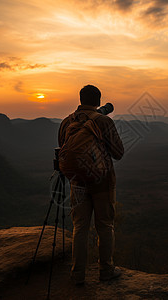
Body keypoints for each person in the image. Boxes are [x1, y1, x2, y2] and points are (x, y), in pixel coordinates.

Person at [58, 84, 124, 285]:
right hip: (102, 181)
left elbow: (64, 149)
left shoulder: (66, 122)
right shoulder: (103, 121)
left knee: (80, 227)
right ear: (98, 101)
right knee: (104, 225)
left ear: (80, 99)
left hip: (77, 182)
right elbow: (118, 153)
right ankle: (106, 270)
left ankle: (77, 274)